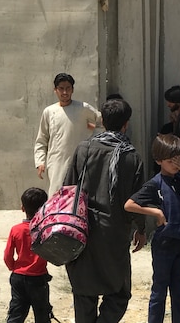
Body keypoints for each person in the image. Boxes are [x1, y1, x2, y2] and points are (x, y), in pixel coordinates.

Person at [63, 98, 146, 323]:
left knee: (84, 293)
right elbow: (136, 199)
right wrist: (141, 229)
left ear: (103, 121)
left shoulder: (84, 149)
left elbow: (67, 189)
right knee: (119, 292)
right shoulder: (131, 156)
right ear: (125, 124)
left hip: (82, 231)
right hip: (114, 233)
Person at [125, 135, 180, 323]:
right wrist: (156, 213)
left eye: (179, 161)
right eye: (171, 162)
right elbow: (129, 204)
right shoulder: (156, 183)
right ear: (159, 161)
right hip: (164, 244)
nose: (175, 165)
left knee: (179, 292)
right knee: (159, 291)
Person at [34, 73, 101, 193]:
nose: (65, 92)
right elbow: (42, 139)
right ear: (55, 90)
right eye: (61, 88)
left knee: (79, 196)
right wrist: (40, 161)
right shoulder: (49, 112)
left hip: (80, 161)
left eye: (68, 88)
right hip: (56, 162)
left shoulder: (83, 108)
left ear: (72, 89)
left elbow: (102, 122)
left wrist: (93, 139)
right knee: (56, 196)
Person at [4, 188, 52, 323]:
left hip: (18, 277)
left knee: (16, 313)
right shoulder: (46, 230)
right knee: (42, 315)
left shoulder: (16, 229)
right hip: (38, 278)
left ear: (22, 208)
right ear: (44, 208)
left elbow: (8, 255)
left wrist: (14, 267)